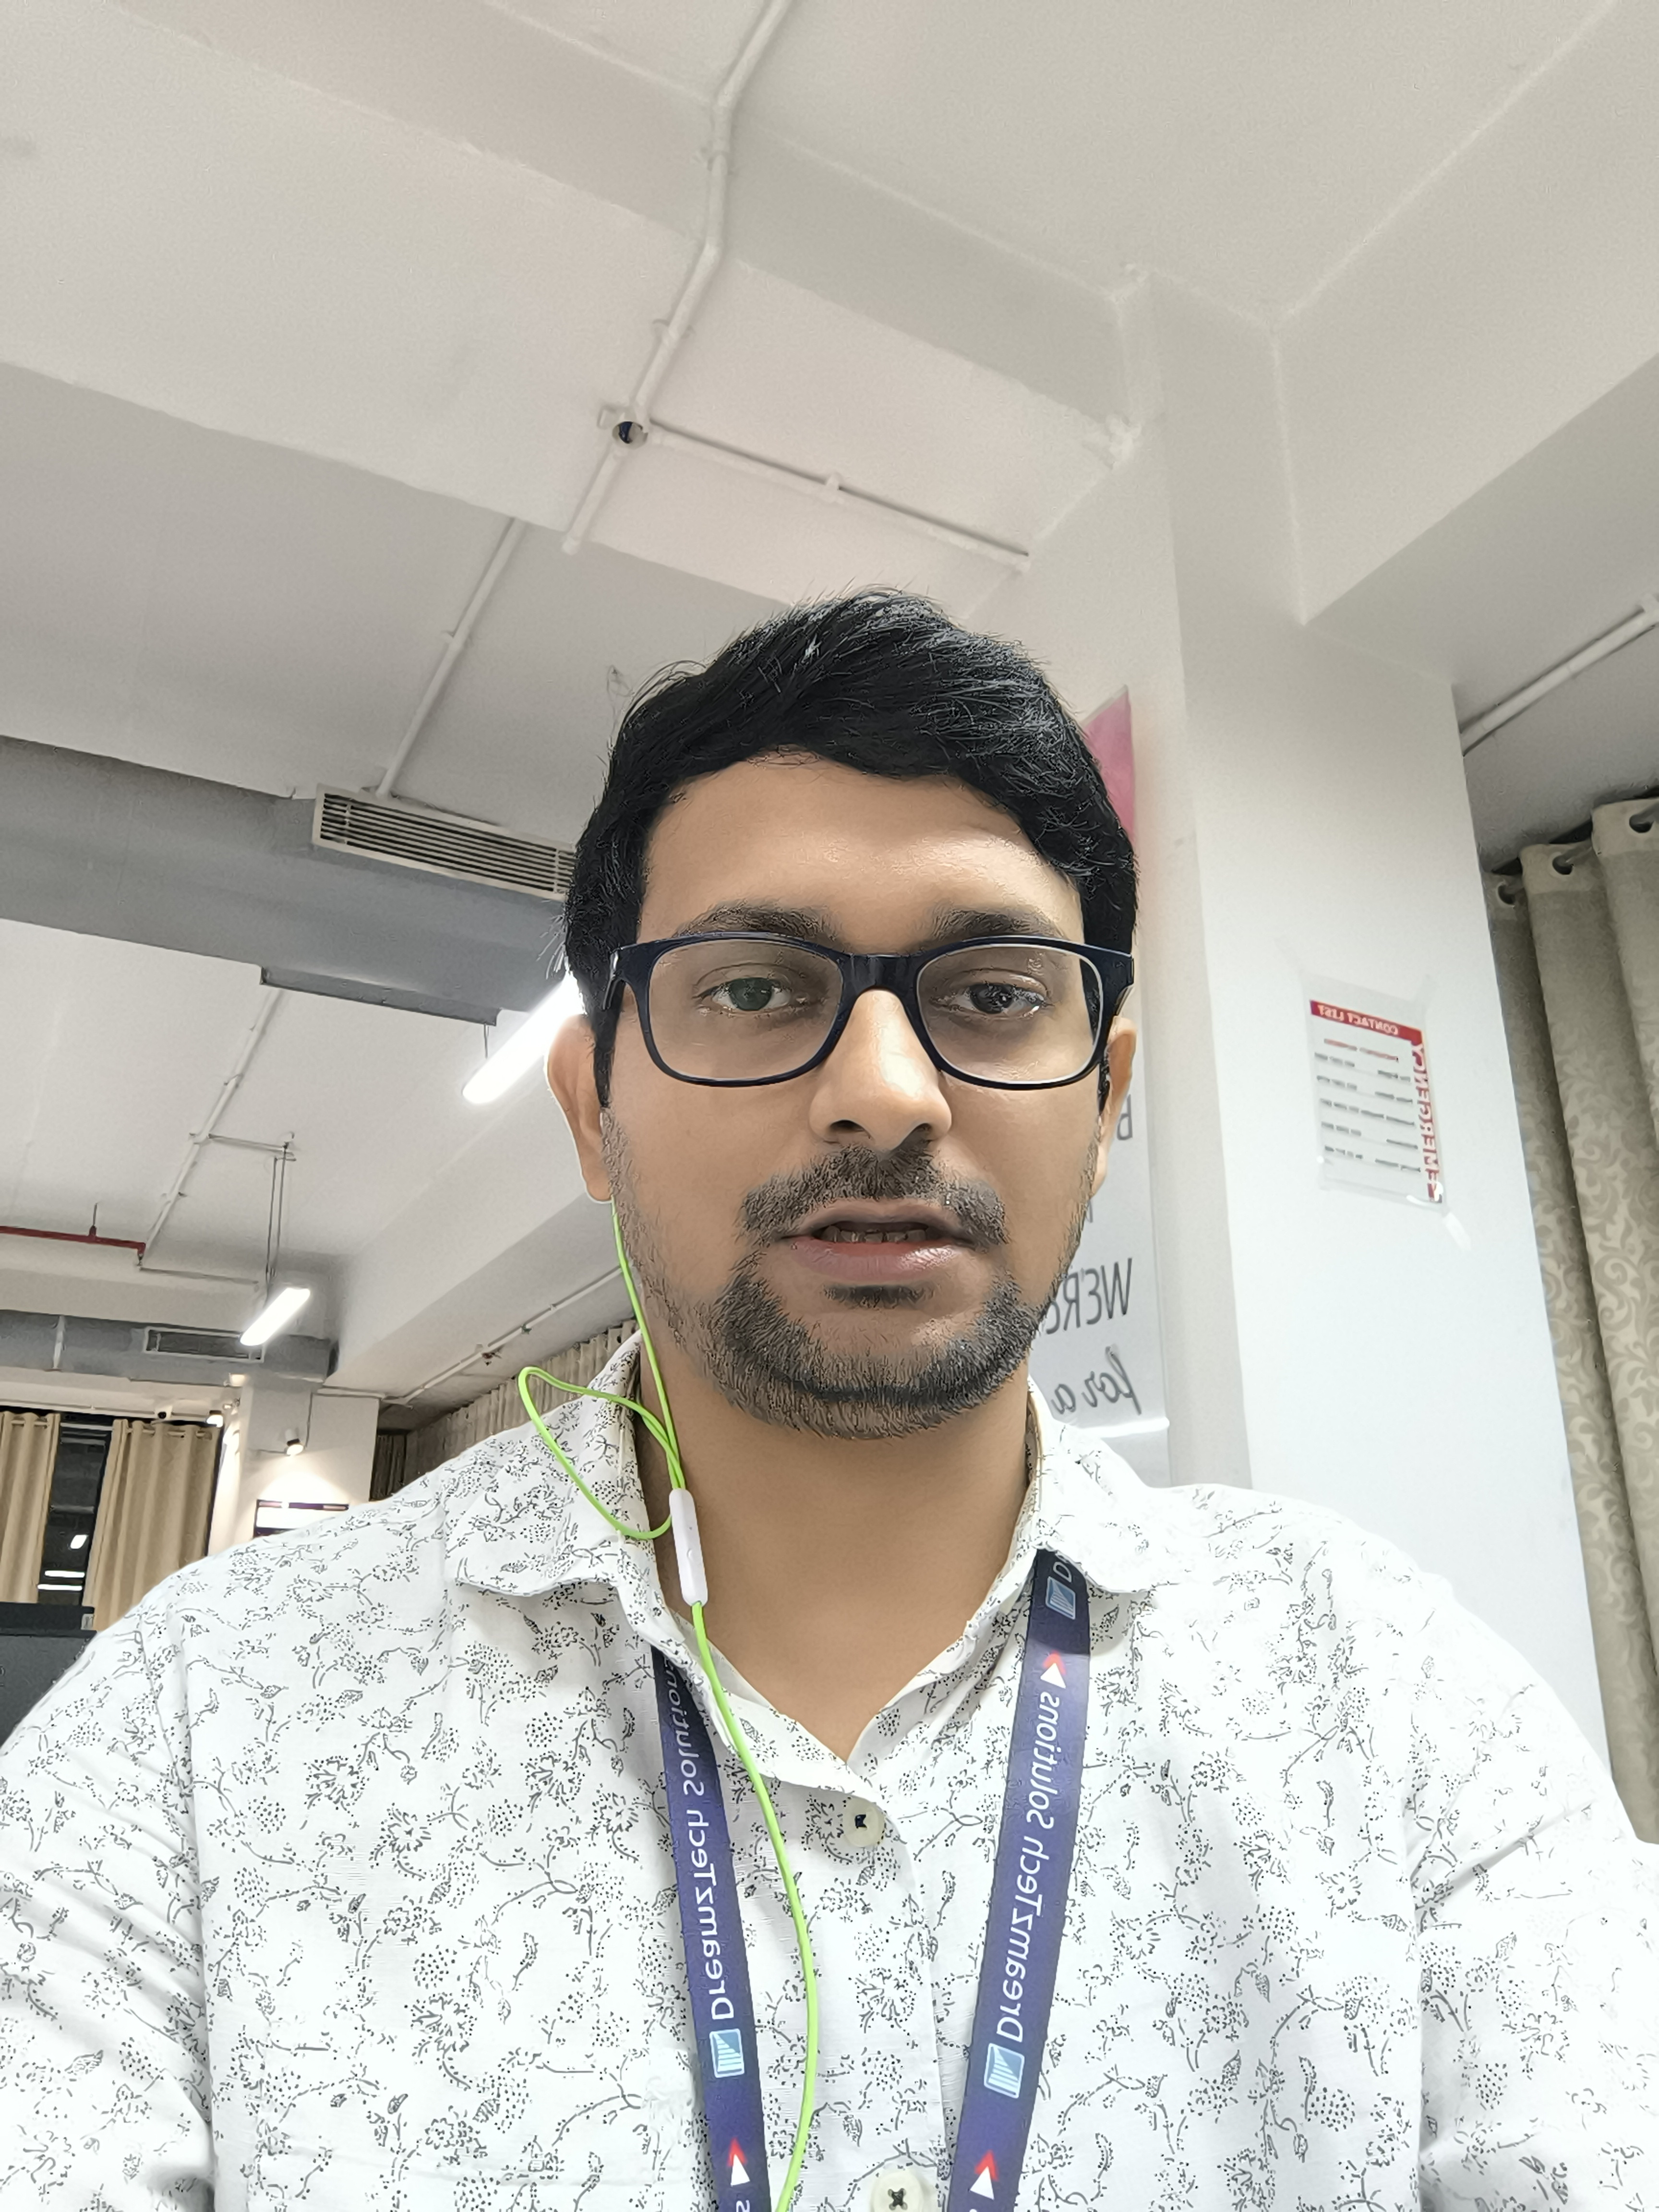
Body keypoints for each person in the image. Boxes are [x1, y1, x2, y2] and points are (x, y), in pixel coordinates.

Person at [1, 592, 1655, 2212]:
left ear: (1105, 1105)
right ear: (592, 1111)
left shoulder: (1391, 1701)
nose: (883, 1090)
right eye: (755, 988)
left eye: (994, 992)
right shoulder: (200, 1726)